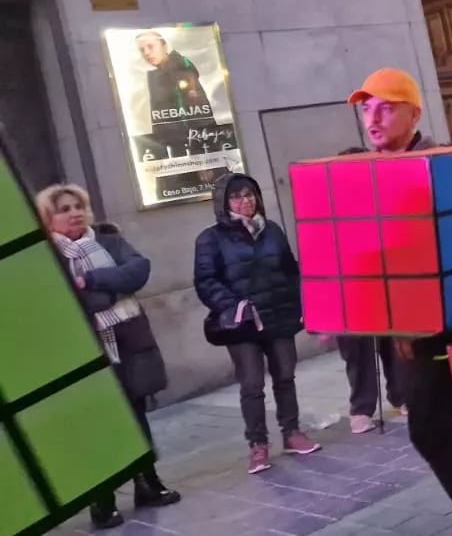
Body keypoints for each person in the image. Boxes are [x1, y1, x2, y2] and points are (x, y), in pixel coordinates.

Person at [347, 67, 452, 536]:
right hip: (414, 335)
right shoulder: (364, 176)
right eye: (366, 108)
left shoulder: (449, 167)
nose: (372, 118)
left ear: (414, 114)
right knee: (430, 428)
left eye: (385, 107)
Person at [37, 184, 180, 530]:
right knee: (97, 423)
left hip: (129, 341)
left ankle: (147, 483)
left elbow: (138, 270)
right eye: (64, 209)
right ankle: (103, 501)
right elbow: (62, 303)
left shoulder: (109, 238)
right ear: (48, 218)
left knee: (136, 414)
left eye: (78, 206)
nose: (74, 213)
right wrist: (109, 291)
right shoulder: (46, 257)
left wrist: (91, 279)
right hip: (87, 349)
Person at [194, 172, 321, 474]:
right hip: (242, 324)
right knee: (252, 384)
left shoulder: (272, 230)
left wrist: (303, 301)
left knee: (285, 376)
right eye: (237, 196)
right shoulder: (210, 238)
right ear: (224, 203)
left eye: (250, 194)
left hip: (277, 314)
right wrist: (234, 305)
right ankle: (257, 445)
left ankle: (291, 432)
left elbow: (290, 270)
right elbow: (205, 280)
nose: (245, 200)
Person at [334, 144, 408, 435]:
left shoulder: (384, 198)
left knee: (394, 345)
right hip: (351, 289)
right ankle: (361, 408)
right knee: (358, 353)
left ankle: (402, 396)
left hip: (387, 284)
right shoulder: (331, 206)